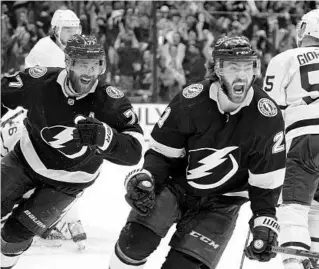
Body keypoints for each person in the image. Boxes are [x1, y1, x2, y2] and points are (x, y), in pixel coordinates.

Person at [108, 36, 286, 269]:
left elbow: (266, 184)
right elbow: (162, 154)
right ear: (217, 70)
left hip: (223, 204)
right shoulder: (191, 101)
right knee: (134, 243)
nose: (242, 75)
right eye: (233, 67)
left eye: (247, 67)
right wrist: (148, 179)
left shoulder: (267, 118)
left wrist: (264, 222)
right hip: (177, 187)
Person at [1, 34, 143, 269]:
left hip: (70, 182)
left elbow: (135, 151)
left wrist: (107, 139)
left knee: (15, 236)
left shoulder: (112, 102)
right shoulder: (40, 81)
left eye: (95, 65)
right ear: (68, 63)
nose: (89, 72)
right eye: (81, 64)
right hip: (25, 160)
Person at [1, 8, 86, 249]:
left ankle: (52, 218)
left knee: (74, 162)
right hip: (32, 119)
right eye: (67, 30)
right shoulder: (45, 49)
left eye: (75, 29)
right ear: (56, 30)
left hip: (50, 119)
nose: (72, 34)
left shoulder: (74, 51)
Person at [263, 9, 319, 269]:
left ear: (305, 30)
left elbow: (269, 109)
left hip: (305, 137)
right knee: (317, 206)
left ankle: (296, 262)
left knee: (293, 207)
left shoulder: (285, 58)